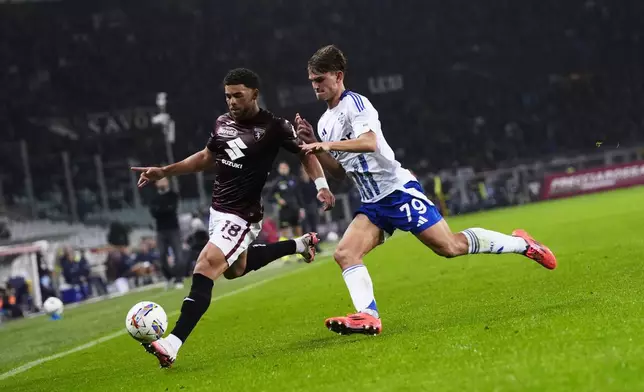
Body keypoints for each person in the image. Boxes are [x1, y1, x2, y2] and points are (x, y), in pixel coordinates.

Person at [295, 45, 557, 336]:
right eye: (312, 81)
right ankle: (368, 316)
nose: (315, 86)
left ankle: (524, 245)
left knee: (450, 247)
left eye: (320, 79)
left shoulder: (357, 104)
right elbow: (341, 173)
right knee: (345, 253)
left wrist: (326, 145)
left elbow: (369, 142)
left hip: (398, 191)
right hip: (373, 203)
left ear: (338, 76)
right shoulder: (324, 122)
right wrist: (316, 147)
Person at [131, 68, 335, 367]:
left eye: (238, 95)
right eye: (228, 96)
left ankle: (172, 343)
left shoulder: (275, 127)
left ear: (254, 93)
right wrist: (165, 170)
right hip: (218, 211)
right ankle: (300, 245)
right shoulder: (222, 123)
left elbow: (305, 153)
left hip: (242, 215)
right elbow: (205, 157)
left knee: (205, 266)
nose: (232, 101)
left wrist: (321, 187)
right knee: (234, 269)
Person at [149, 177, 184, 289]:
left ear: (167, 182)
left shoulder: (173, 195)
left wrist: (161, 210)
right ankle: (169, 277)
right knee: (161, 255)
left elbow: (171, 209)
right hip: (160, 230)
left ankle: (179, 279)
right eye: (159, 180)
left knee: (178, 255)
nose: (162, 182)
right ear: (156, 183)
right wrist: (164, 209)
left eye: (164, 180)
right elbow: (154, 213)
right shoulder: (154, 198)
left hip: (173, 229)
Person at [271, 161, 305, 238]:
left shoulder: (294, 179)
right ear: (279, 169)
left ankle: (300, 248)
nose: (283, 169)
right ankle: (285, 248)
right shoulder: (277, 182)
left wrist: (302, 208)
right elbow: (269, 196)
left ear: (288, 168)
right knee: (284, 231)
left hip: (295, 209)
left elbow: (298, 194)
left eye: (285, 167)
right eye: (281, 168)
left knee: (298, 229)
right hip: (284, 210)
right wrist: (278, 200)